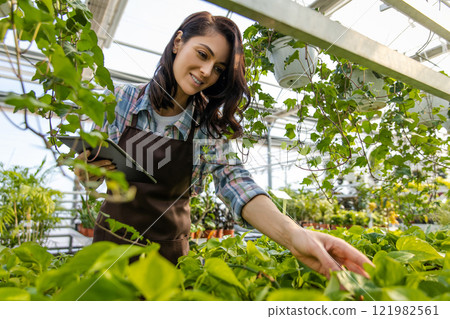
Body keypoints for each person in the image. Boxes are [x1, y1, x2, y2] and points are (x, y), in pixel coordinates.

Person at [75, 11, 373, 278]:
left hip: (166, 258)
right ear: (178, 42)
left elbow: (234, 181)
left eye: (218, 68)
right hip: (110, 247)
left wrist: (294, 235)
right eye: (202, 54)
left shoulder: (206, 127)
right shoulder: (121, 101)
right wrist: (89, 175)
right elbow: (95, 171)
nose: (206, 72)